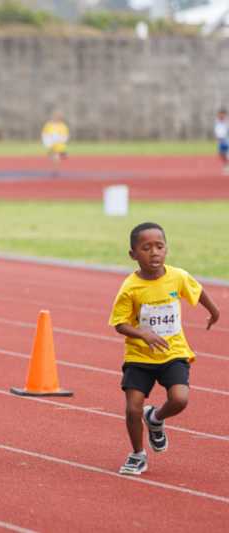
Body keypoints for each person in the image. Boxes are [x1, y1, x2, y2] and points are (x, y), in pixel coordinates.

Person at [109, 222, 220, 476]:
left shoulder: (177, 276)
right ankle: (138, 454)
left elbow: (198, 291)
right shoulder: (130, 287)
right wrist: (143, 334)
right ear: (133, 254)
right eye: (146, 248)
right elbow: (119, 324)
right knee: (133, 408)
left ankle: (156, 418)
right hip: (139, 356)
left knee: (180, 399)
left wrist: (214, 311)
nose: (154, 253)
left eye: (159, 247)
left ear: (166, 249)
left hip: (173, 352)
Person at [41, 111, 69, 177]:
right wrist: (47, 142)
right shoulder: (48, 125)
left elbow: (65, 135)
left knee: (56, 156)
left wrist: (61, 140)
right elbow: (44, 134)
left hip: (59, 144)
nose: (57, 118)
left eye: (59, 117)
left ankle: (55, 170)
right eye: (56, 116)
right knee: (53, 156)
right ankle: (62, 154)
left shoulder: (63, 126)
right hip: (51, 143)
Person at [214, 108, 228, 174]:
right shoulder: (217, 122)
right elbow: (217, 131)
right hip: (220, 140)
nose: (220, 115)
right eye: (219, 114)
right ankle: (226, 166)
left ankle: (226, 166)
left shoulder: (227, 122)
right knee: (221, 154)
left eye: (222, 114)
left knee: (227, 154)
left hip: (226, 140)